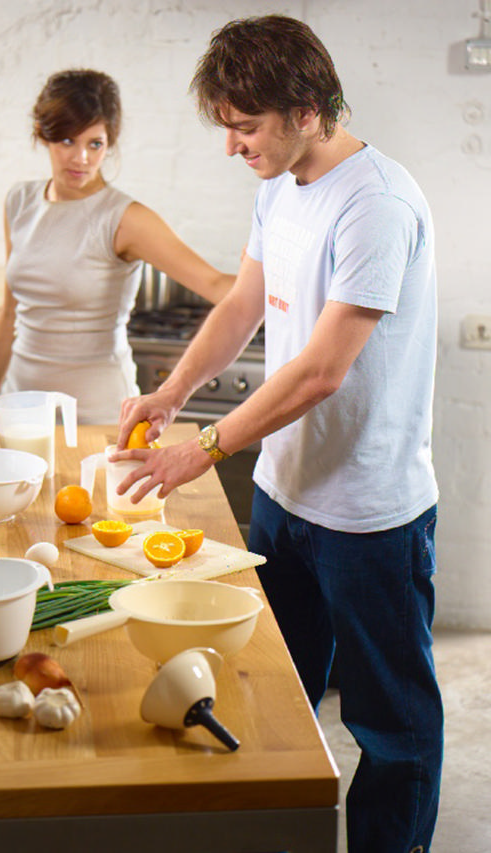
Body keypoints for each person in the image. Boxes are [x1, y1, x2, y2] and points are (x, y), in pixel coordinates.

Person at [112, 15, 443, 853]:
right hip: (284, 499)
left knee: (391, 728)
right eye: (226, 127)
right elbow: (241, 306)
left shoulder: (378, 202)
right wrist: (173, 389)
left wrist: (203, 447)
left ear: (306, 107)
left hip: (369, 516)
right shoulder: (279, 187)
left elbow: (322, 368)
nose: (233, 147)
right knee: (275, 695)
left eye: (245, 127)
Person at [0, 69, 234, 423]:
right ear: (43, 135)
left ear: (109, 143)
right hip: (20, 407)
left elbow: (217, 286)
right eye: (68, 141)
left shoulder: (125, 218)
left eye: (95, 144)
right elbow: (9, 317)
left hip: (98, 414)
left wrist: (292, 283)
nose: (81, 158)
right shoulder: (19, 201)